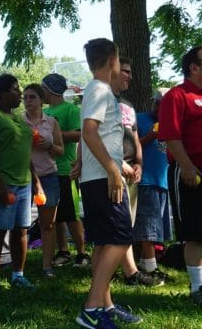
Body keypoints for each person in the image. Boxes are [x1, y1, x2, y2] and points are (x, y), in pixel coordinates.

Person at [76, 38, 141, 329]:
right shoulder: (100, 90)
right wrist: (113, 170)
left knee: (105, 242)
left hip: (98, 177)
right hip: (103, 179)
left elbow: (98, 135)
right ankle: (91, 309)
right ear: (113, 60)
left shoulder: (96, 91)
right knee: (120, 238)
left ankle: (105, 306)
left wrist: (118, 165)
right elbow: (89, 132)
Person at [0, 73, 42, 292]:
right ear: (3, 94)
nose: (20, 93)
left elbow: (25, 154)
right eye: (15, 89)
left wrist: (36, 181)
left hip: (23, 184)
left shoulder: (18, 120)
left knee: (21, 230)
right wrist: (0, 185)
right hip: (1, 183)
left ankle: (18, 276)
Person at [111, 57, 163, 287]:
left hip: (138, 173)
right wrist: (117, 162)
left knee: (131, 224)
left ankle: (129, 271)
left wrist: (139, 163)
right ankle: (134, 271)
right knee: (123, 225)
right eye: (125, 71)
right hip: (115, 171)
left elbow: (133, 139)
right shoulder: (102, 100)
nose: (130, 76)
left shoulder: (128, 105)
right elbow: (92, 134)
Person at [158, 46, 202, 305]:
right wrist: (186, 166)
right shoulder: (177, 95)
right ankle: (197, 288)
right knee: (195, 232)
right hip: (189, 173)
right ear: (193, 67)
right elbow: (170, 135)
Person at [42, 73, 90, 267]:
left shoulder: (70, 109)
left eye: (43, 88)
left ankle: (82, 253)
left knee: (71, 214)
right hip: (47, 170)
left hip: (66, 169)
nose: (41, 92)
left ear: (50, 89)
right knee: (56, 215)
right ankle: (63, 251)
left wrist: (53, 135)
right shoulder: (44, 112)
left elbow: (79, 134)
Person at [22, 83, 64, 277]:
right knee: (19, 225)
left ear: (41, 100)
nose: (28, 101)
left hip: (48, 176)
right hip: (23, 177)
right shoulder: (19, 121)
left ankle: (47, 266)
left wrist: (49, 145)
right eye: (25, 98)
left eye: (32, 97)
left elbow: (60, 150)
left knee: (48, 224)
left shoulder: (52, 122)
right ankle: (17, 267)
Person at [135, 88, 172, 277]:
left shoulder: (171, 123)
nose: (159, 108)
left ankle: (144, 262)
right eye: (157, 103)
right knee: (148, 225)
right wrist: (150, 137)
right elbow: (130, 148)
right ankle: (151, 268)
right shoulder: (138, 119)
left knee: (156, 226)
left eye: (164, 105)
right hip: (145, 179)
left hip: (163, 181)